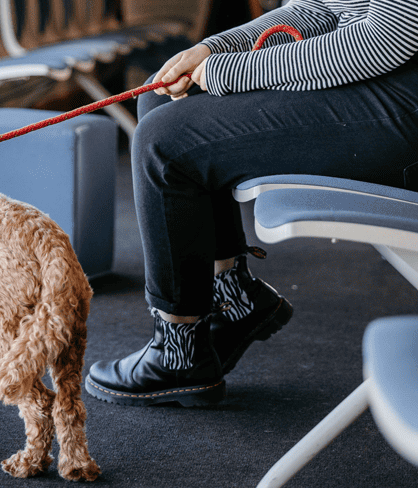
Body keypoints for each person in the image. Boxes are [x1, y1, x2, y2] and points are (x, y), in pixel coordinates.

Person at [85, 0, 418, 406]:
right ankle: (234, 298)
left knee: (164, 141)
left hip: (406, 103)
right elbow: (321, 9)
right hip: (390, 87)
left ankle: (179, 354)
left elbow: (387, 38)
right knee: (161, 98)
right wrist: (214, 49)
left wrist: (233, 71)